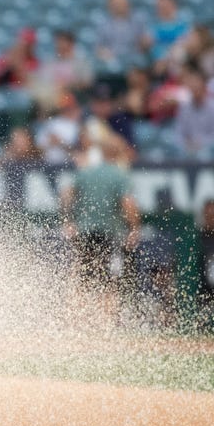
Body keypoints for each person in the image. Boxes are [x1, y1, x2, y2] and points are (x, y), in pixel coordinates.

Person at [60, 129, 140, 301]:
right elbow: (128, 204)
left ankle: (79, 317)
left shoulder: (86, 172)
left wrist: (68, 220)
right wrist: (134, 228)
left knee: (83, 276)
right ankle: (105, 323)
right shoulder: (120, 175)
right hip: (109, 234)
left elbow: (66, 195)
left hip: (84, 233)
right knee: (109, 280)